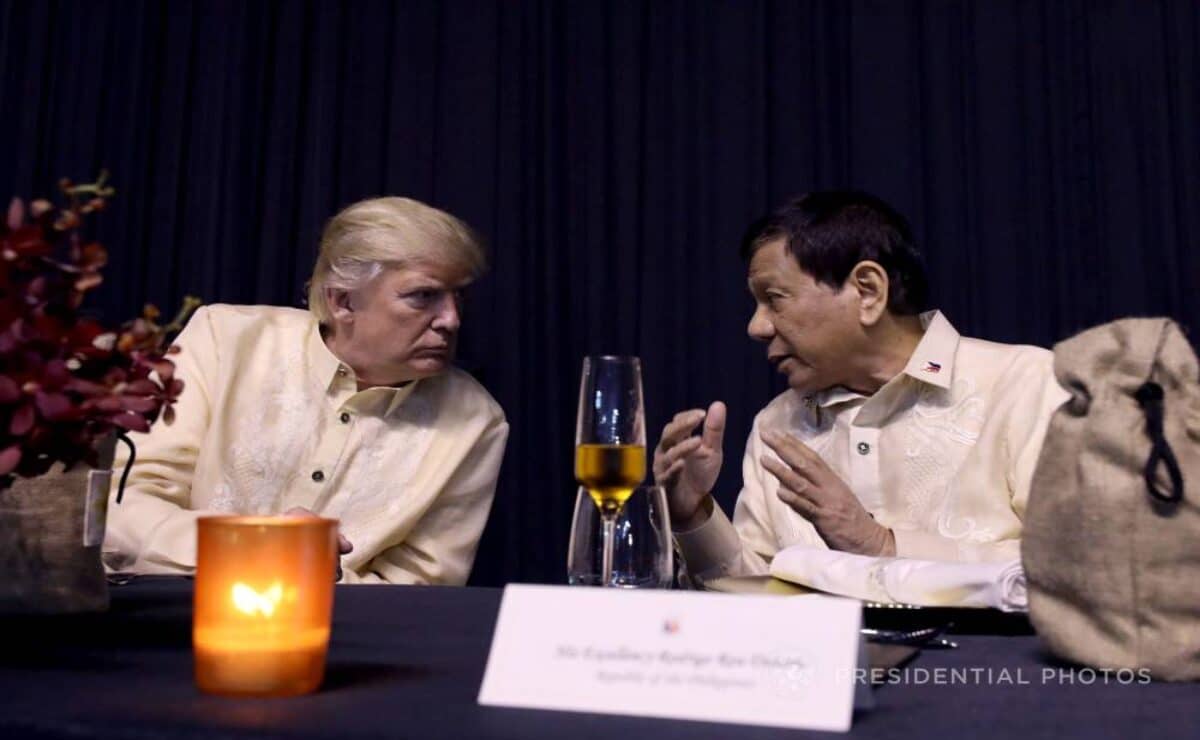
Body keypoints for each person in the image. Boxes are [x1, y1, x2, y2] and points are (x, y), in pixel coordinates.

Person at [653, 191, 1069, 584]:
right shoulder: (778, 424)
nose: (756, 327)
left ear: (867, 291)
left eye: (774, 298)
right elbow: (758, 601)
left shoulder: (1026, 384)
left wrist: (882, 546)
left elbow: (1082, 566)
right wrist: (692, 516)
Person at [103, 197, 509, 584]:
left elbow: (418, 593)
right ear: (343, 301)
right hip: (171, 622)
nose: (451, 321)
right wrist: (255, 546)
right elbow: (119, 509)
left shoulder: (475, 421)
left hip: (343, 644)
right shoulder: (225, 340)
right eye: (424, 296)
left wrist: (307, 571)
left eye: (459, 297)